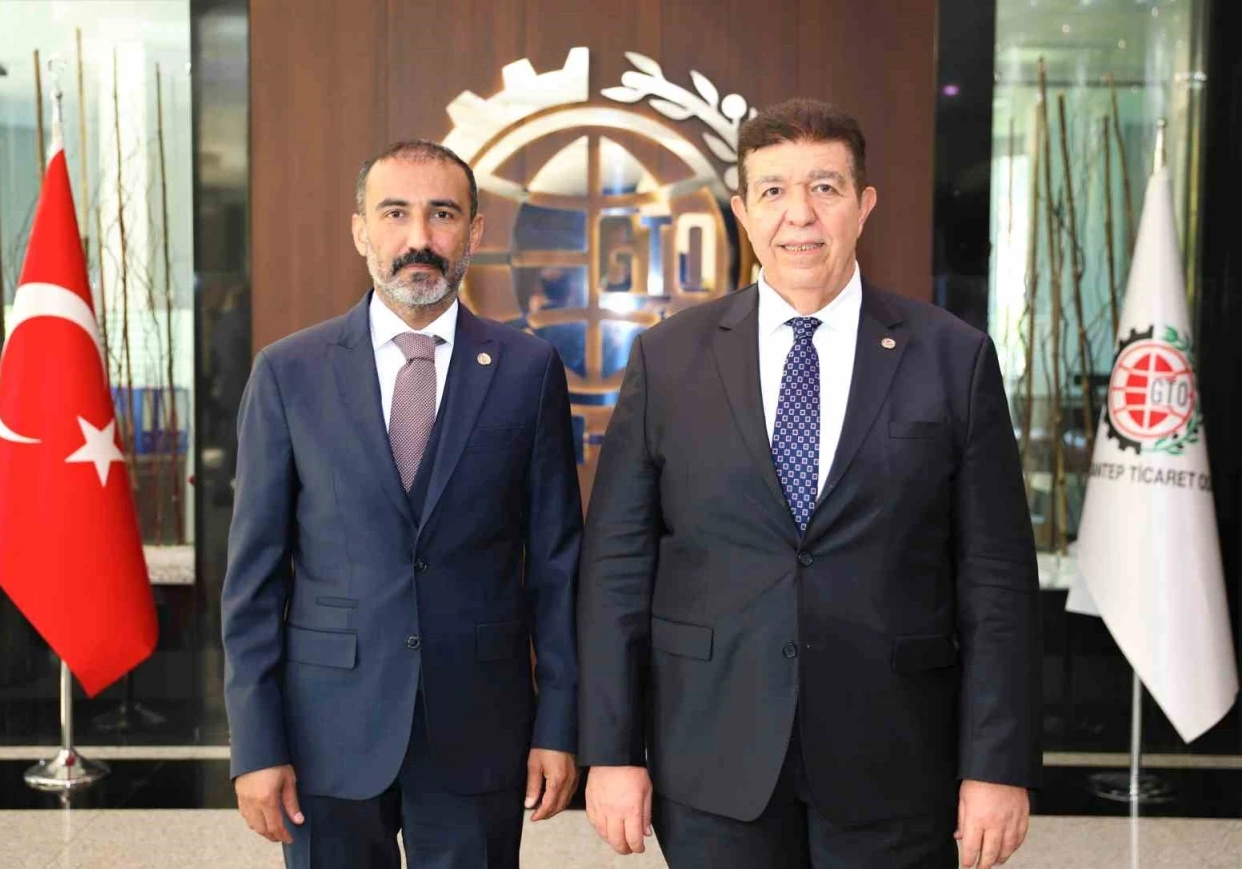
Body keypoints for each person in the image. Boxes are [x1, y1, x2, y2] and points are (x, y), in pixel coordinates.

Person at [578, 99, 1041, 869]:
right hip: (713, 758)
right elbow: (616, 569)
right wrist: (612, 749)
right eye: (773, 190)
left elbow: (997, 578)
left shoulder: (952, 358)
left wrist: (997, 762)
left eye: (825, 187)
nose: (800, 215)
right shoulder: (669, 359)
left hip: (896, 760)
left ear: (864, 205)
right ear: (742, 211)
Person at [222, 140, 582, 869]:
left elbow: (556, 566)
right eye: (394, 213)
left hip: (479, 725)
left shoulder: (529, 370)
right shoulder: (289, 372)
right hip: (326, 732)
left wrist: (560, 724)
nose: (419, 237)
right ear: (361, 231)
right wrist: (255, 742)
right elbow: (253, 579)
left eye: (442, 214)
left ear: (474, 232)